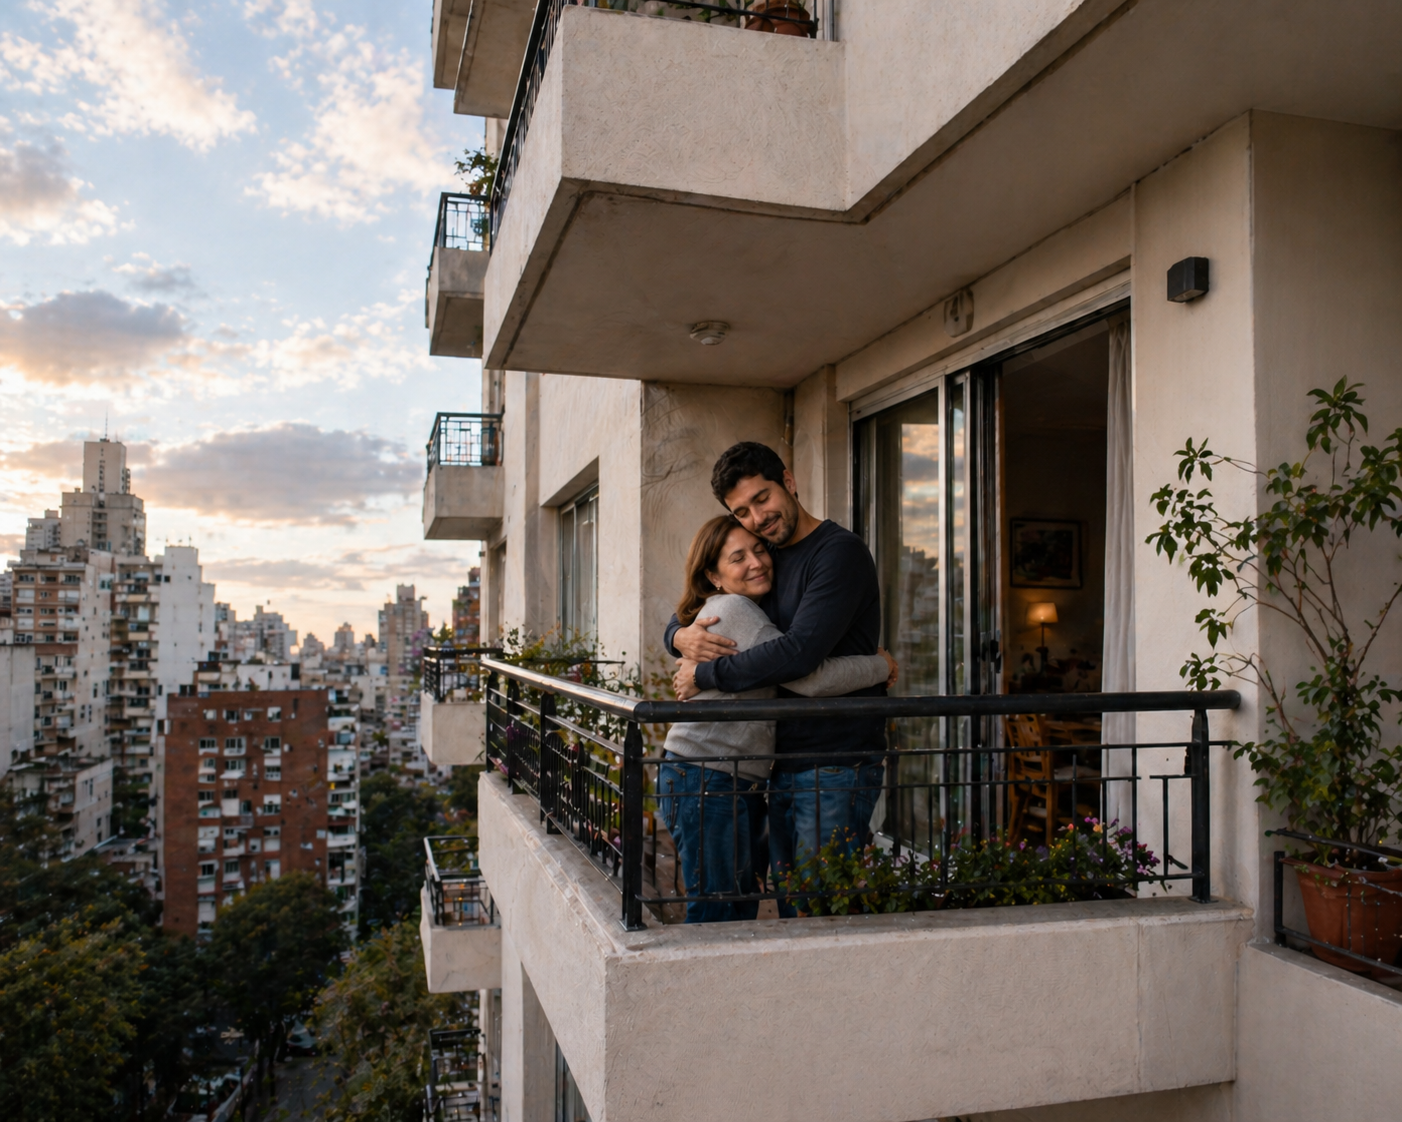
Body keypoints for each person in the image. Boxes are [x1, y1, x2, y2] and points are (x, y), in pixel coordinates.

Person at [665, 442, 886, 916]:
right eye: (741, 511)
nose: (757, 519)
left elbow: (798, 657)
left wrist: (705, 672)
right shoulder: (769, 558)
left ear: (788, 481)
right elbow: (701, 607)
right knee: (792, 911)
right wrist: (679, 636)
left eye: (761, 499)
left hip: (834, 761)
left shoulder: (837, 553)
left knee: (819, 913)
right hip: (781, 766)